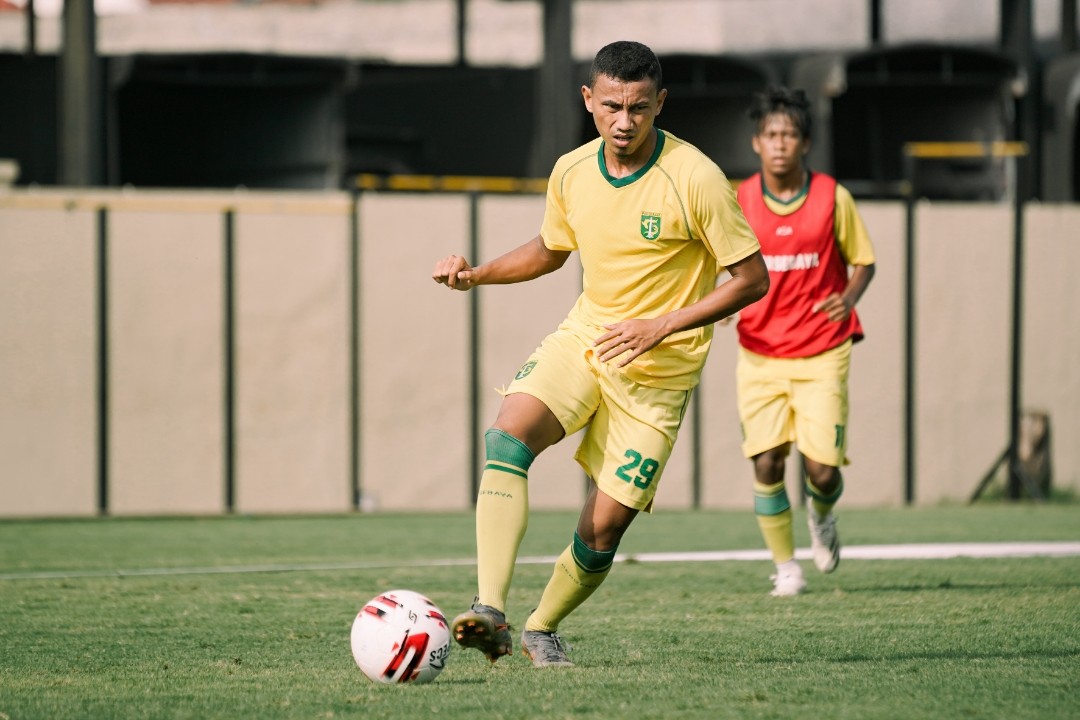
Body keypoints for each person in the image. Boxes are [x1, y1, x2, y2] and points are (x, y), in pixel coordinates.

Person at [431, 40, 768, 667]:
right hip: (586, 340)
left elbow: (752, 280)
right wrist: (477, 274)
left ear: (659, 104)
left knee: (604, 529)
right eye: (611, 105)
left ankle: (540, 627)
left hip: (658, 376)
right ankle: (490, 610)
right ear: (588, 100)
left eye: (639, 108)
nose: (624, 120)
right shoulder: (571, 170)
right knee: (508, 437)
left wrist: (661, 325)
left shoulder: (696, 178)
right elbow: (551, 249)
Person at [732, 85, 876, 597]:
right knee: (767, 462)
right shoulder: (739, 199)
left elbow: (864, 260)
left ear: (805, 143)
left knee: (821, 471)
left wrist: (850, 296)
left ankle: (823, 514)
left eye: (789, 134)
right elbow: (718, 261)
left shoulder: (833, 196)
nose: (779, 143)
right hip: (760, 353)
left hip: (822, 350)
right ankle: (786, 568)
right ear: (755, 142)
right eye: (771, 134)